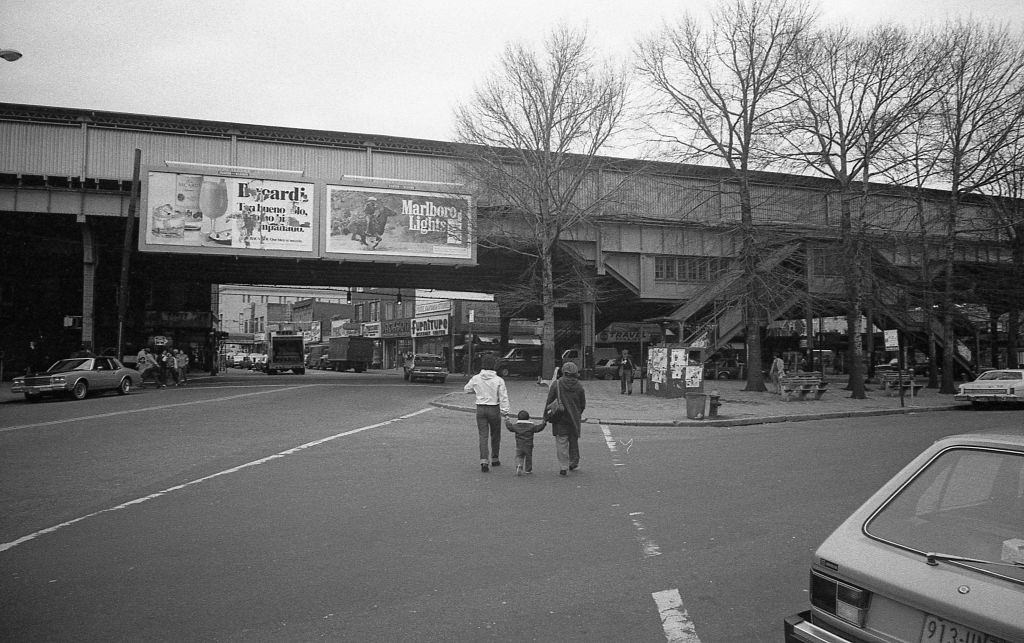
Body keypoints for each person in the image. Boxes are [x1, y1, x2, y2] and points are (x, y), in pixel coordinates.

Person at [463, 354, 510, 472]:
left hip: (480, 408)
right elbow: (503, 397)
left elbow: (466, 389)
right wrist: (505, 411)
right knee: (495, 434)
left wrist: (478, 392)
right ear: (494, 365)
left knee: (483, 435)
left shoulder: (476, 378)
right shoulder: (499, 380)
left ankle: (484, 460)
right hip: (494, 408)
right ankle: (495, 458)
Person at [545, 361, 586, 476]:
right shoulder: (579, 387)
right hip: (574, 419)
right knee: (573, 441)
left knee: (562, 441)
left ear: (563, 371)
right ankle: (573, 462)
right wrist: (577, 413)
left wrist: (545, 417)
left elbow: (549, 401)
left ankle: (564, 466)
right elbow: (583, 404)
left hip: (560, 418)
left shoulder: (557, 384)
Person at [504, 410, 547, 476]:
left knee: (519, 456)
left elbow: (510, 427)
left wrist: (507, 421)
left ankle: (519, 465)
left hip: (519, 445)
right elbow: (538, 428)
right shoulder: (531, 426)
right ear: (528, 418)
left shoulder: (516, 426)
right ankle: (528, 470)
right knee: (528, 457)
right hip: (528, 445)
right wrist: (543, 423)